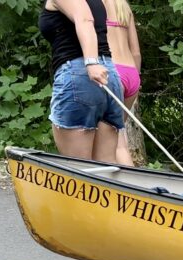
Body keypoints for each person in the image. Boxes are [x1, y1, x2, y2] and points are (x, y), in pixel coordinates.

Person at [39, 0, 124, 163]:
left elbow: (84, 19)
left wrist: (91, 62)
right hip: (109, 73)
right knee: (106, 164)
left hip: (81, 74)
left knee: (79, 167)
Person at [103, 0, 142, 166]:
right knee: (119, 135)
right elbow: (136, 52)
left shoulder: (96, 5)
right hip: (132, 73)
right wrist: (136, 79)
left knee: (115, 143)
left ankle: (129, 187)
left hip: (112, 70)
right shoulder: (124, 6)